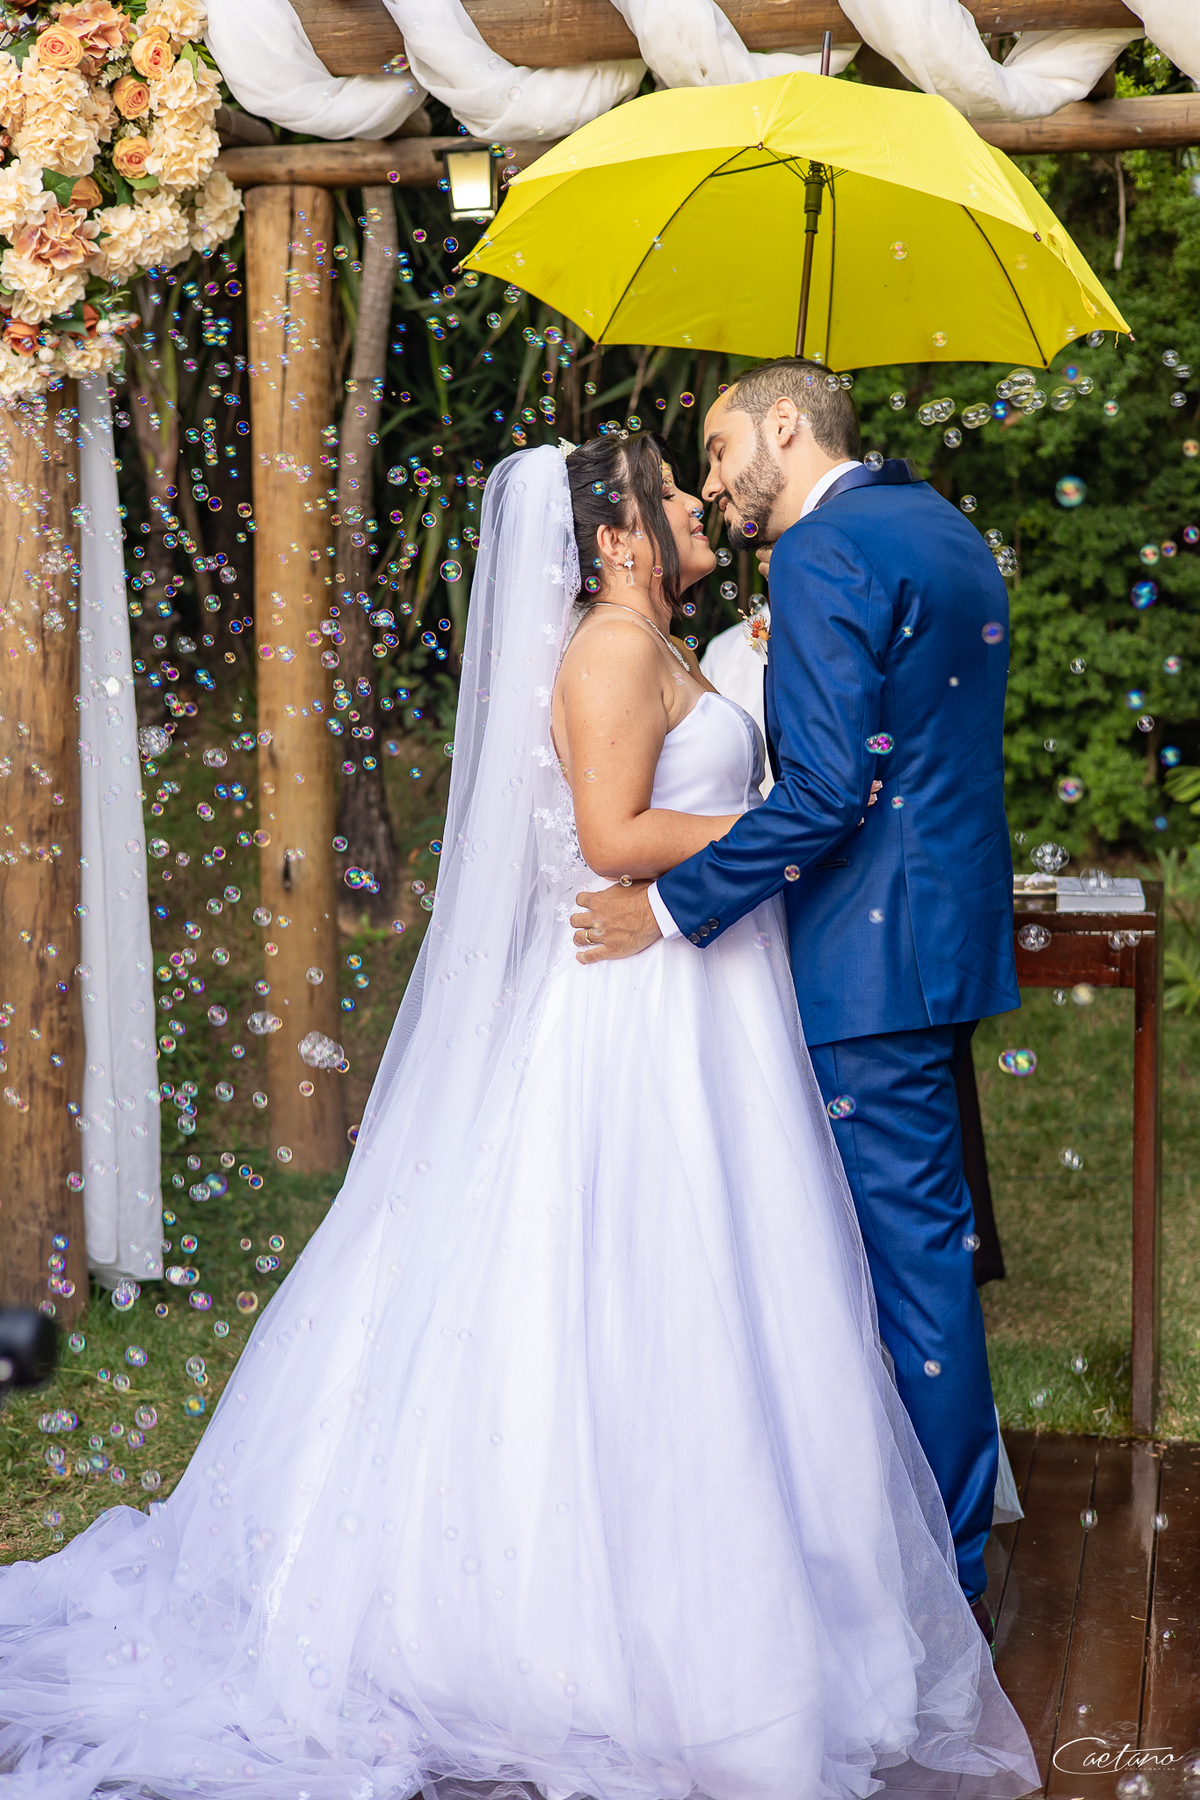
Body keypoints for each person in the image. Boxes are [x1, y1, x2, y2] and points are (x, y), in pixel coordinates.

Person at [0, 438, 1036, 1800]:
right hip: (639, 1008)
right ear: (616, 539)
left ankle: (766, 1577)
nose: (697, 502)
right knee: (634, 1282)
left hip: (712, 1001)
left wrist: (768, 720)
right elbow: (612, 837)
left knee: (743, 1281)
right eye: (674, 491)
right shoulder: (608, 652)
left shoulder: (667, 644)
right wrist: (785, 821)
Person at [572, 363, 1020, 1641]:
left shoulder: (822, 552)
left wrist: (669, 907)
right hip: (935, 940)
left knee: (908, 1265)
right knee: (917, 1252)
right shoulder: (940, 527)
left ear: (785, 425)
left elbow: (827, 794)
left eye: (719, 451)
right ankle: (915, 1534)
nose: (713, 484)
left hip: (865, 956)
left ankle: (945, 1572)